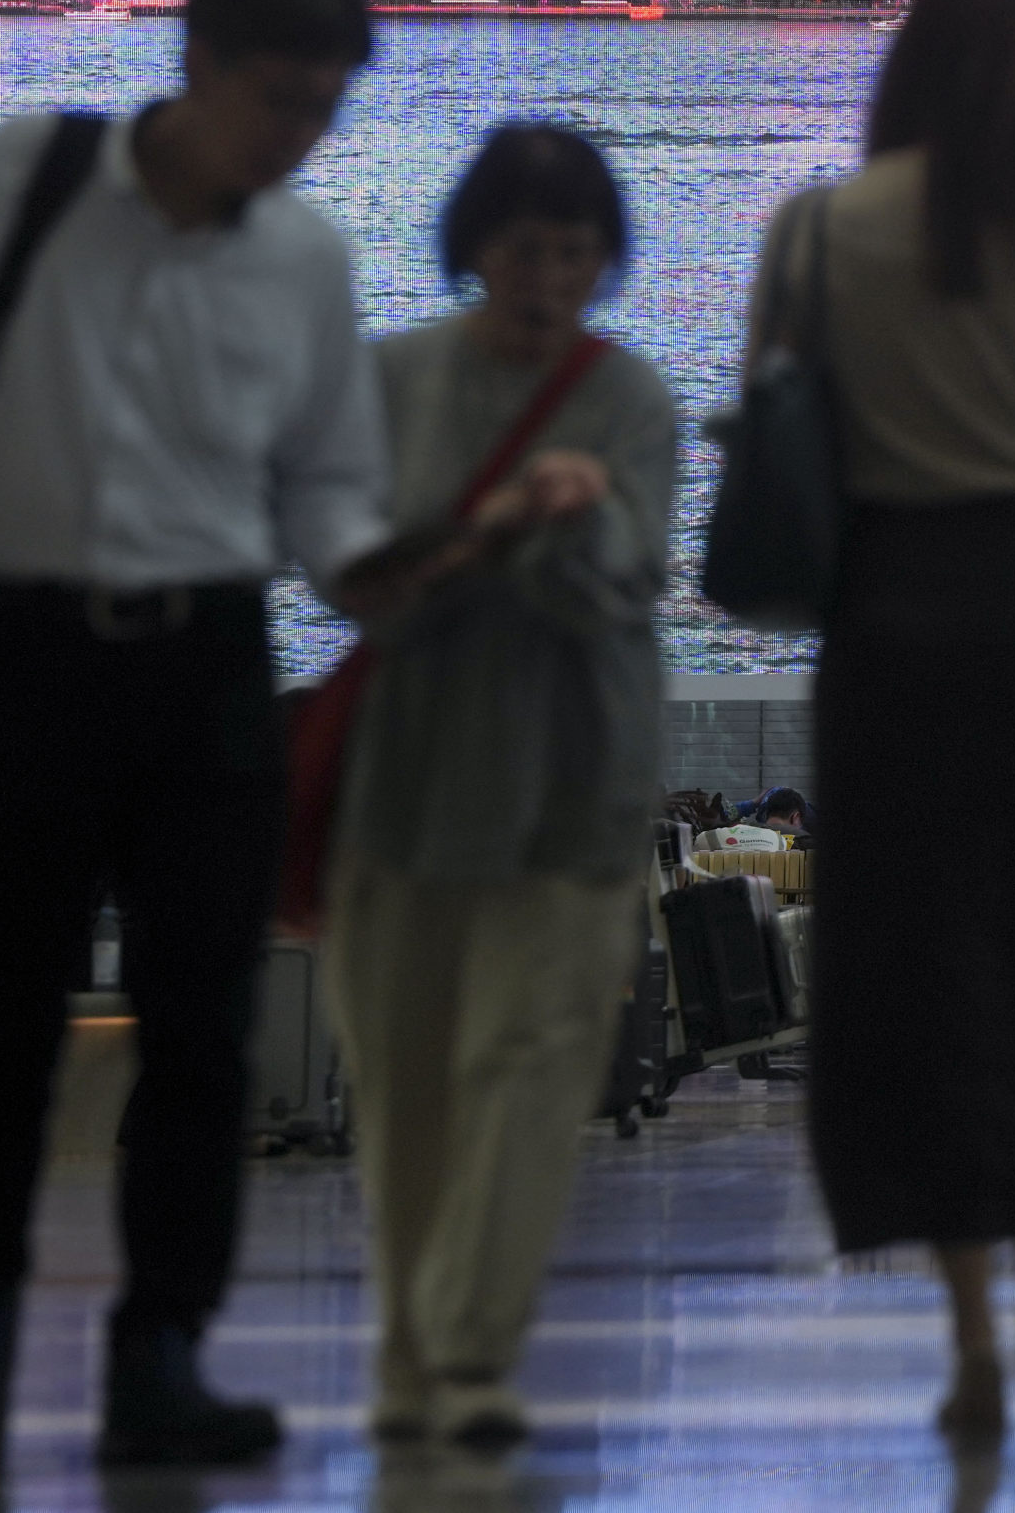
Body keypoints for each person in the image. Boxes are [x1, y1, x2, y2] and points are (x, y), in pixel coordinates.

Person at [0, 0, 393, 1470]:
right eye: (279, 99)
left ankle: (161, 1356)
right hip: (12, 647)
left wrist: (398, 584)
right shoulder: (29, 176)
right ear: (195, 61)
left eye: (325, 111)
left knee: (203, 1029)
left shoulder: (306, 261)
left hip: (207, 662)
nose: (297, 137)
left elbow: (330, 486)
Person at [753, 0, 1015, 1437]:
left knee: (914, 959)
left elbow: (780, 427)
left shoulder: (818, 231)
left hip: (890, 616)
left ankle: (973, 1330)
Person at [327, 123, 675, 1450]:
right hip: (409, 770)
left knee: (530, 1065)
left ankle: (472, 1345)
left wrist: (573, 520)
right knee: (407, 1075)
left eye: (577, 254)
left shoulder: (628, 398)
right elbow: (354, 575)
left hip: (576, 778)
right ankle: (413, 1351)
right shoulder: (395, 375)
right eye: (526, 250)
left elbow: (632, 578)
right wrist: (485, 535)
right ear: (476, 246)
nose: (549, 280)